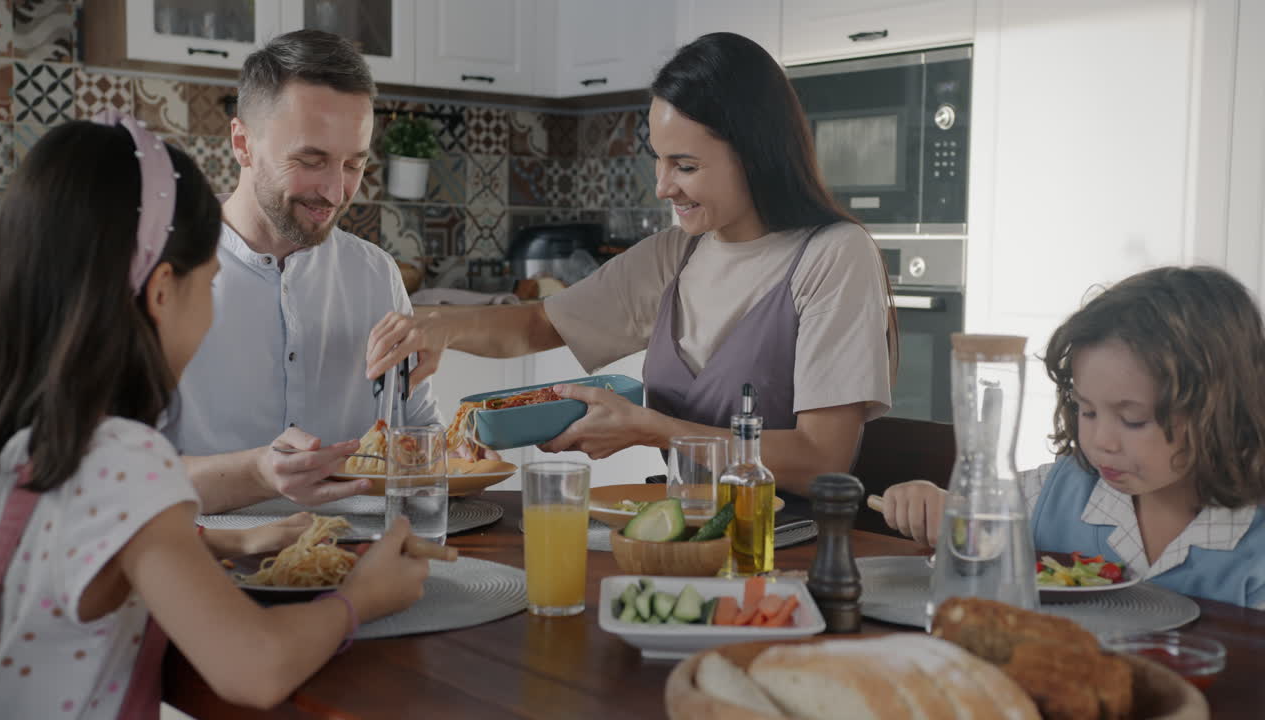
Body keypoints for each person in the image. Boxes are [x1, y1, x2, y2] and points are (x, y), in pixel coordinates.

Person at [0, 116, 452, 717]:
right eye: (210, 283)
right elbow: (254, 668)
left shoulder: (24, 438)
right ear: (161, 293)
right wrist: (362, 598)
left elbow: (84, 545)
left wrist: (234, 539)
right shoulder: (121, 458)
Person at [365, 32, 898, 497]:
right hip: (679, 533)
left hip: (784, 544)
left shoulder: (834, 255)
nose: (664, 187)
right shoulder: (677, 253)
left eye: (685, 166)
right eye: (660, 162)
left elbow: (820, 461)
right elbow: (538, 324)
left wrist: (652, 429)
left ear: (755, 154)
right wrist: (436, 326)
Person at [880, 266, 1265, 608]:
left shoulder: (1254, 545)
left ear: (1221, 411)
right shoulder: (1055, 492)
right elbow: (979, 521)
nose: (1101, 441)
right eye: (1087, 410)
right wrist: (933, 501)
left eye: (1133, 419)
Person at [171, 30, 443, 513]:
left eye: (353, 165)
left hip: (360, 562)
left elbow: (421, 439)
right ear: (242, 143)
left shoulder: (376, 275)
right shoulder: (163, 274)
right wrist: (257, 473)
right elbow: (115, 480)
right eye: (311, 161)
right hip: (206, 566)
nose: (336, 193)